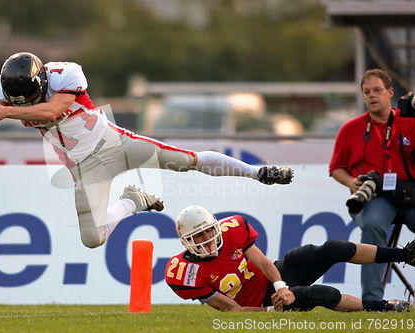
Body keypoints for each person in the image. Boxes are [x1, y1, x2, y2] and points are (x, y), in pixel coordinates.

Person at [0, 52, 294, 249]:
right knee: (92, 239)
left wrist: (6, 112)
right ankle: (134, 201)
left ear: (42, 80)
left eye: (29, 96)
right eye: (16, 101)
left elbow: (51, 112)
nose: (23, 103)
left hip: (116, 144)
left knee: (185, 160)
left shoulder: (65, 74)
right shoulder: (0, 88)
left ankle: (257, 173)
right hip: (84, 167)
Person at [165, 205, 415, 312]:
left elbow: (263, 262)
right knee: (320, 293)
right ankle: (385, 307)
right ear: (186, 240)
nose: (208, 238)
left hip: (274, 276)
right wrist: (271, 310)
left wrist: (281, 285)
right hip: (262, 302)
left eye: (210, 230)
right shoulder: (184, 273)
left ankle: (406, 254)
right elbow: (232, 309)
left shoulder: (233, 228)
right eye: (200, 235)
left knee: (330, 248)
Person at [329, 68, 415, 300]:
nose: (372, 95)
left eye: (377, 90)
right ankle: (372, 301)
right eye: (366, 92)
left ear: (390, 92)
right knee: (373, 225)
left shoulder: (409, 122)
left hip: (410, 194)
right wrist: (351, 182)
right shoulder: (350, 129)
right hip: (374, 198)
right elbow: (336, 168)